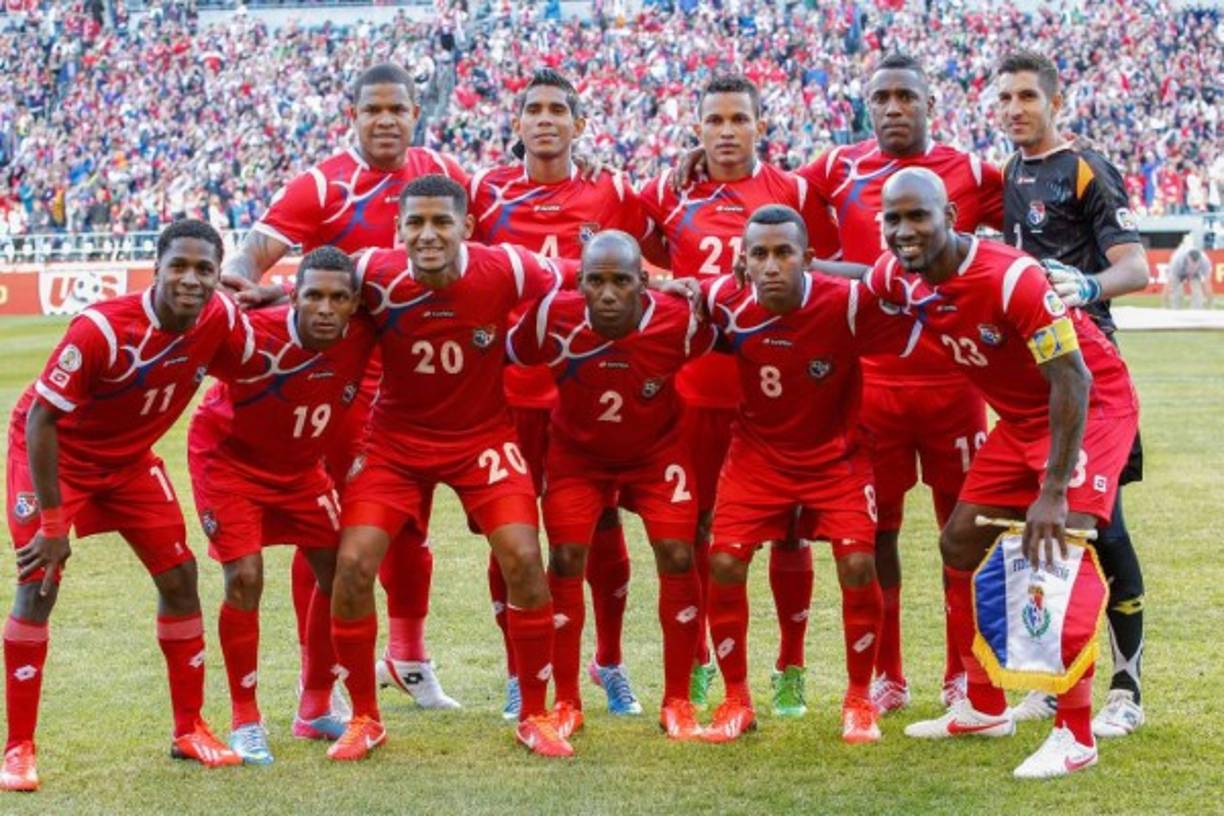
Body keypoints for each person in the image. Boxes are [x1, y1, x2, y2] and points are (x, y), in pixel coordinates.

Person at [871, 167, 1139, 779]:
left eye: (919, 217)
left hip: (1086, 409)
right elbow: (858, 276)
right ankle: (984, 705)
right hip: (1021, 419)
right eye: (893, 219)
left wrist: (1051, 491)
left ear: (951, 219)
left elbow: (1074, 378)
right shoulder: (902, 273)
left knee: (1057, 548)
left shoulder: (1010, 277)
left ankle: (1075, 734)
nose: (905, 231)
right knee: (958, 541)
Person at [222, 62, 467, 710]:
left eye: (399, 110)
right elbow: (252, 252)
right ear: (352, 115)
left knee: (410, 529)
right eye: (373, 110)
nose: (386, 120)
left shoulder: (441, 177)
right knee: (323, 531)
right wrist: (246, 283)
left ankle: (409, 659)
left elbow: (491, 244)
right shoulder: (322, 185)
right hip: (340, 389)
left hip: (418, 381)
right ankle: (319, 683)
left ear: (417, 115)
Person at [327, 175, 574, 760]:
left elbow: (575, 280)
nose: (428, 234)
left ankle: (535, 714)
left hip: (481, 438)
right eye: (415, 223)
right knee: (354, 564)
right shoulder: (371, 272)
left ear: (466, 226)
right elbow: (314, 290)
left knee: (523, 556)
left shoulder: (509, 267)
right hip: (395, 442)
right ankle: (365, 717)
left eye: (442, 222)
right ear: (399, 229)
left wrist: (668, 284)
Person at [2, 220, 251, 792]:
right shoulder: (102, 330)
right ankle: (17, 749)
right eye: (179, 267)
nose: (191, 279)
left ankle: (189, 729)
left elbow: (260, 345)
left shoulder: (219, 318)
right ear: (156, 268)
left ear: (218, 275)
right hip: (57, 456)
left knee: (182, 577)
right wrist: (54, 521)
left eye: (204, 269)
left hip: (129, 463)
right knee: (40, 581)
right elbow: (41, 420)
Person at [795, 52, 1005, 713]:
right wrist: (695, 162)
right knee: (876, 534)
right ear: (866, 104)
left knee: (963, 532)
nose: (892, 108)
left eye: (905, 97)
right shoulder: (836, 167)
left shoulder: (970, 171)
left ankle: (961, 671)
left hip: (956, 386)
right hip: (872, 390)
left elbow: (1033, 188)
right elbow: (766, 195)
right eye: (881, 96)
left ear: (927, 105)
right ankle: (887, 673)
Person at [639, 75, 839, 714]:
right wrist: (677, 281)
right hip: (696, 394)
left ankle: (791, 667)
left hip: (777, 396)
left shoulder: (795, 191)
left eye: (738, 119)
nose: (726, 131)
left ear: (760, 125)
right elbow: (624, 256)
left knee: (789, 533)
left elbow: (825, 270)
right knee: (699, 531)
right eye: (714, 121)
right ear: (696, 129)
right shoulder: (670, 192)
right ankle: (699, 661)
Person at [469, 68, 663, 718]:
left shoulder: (612, 193)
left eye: (559, 109)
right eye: (534, 109)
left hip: (587, 390)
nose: (546, 119)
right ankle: (520, 674)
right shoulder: (486, 195)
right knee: (512, 533)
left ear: (581, 124)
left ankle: (608, 661)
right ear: (517, 123)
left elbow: (653, 258)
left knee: (601, 523)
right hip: (508, 393)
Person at [698, 205, 914, 745]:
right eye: (760, 255)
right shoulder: (723, 301)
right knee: (722, 560)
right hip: (757, 456)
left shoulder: (845, 304)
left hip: (835, 457)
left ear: (809, 259)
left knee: (860, 563)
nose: (772, 266)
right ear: (743, 263)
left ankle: (859, 700)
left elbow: (906, 293)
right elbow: (681, 293)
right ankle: (736, 700)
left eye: (784, 253)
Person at [996, 51, 1152, 737]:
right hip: (1035, 373)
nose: (1014, 109)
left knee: (1104, 529)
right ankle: (1056, 683)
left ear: (1054, 100)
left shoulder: (1085, 167)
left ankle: (1126, 690)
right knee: (1043, 529)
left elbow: (1137, 266)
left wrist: (1086, 286)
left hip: (1090, 373)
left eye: (1027, 96)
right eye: (1004, 99)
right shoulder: (1009, 172)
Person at [506, 230, 714, 741]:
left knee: (680, 555)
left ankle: (678, 702)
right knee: (567, 560)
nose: (607, 293)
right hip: (577, 457)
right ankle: (568, 702)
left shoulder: (678, 320)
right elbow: (505, 352)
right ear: (579, 283)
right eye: (595, 281)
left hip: (656, 455)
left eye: (621, 281)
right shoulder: (552, 316)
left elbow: (728, 332)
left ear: (643, 283)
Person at [186, 247, 376, 764]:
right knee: (245, 577)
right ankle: (245, 719)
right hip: (228, 462)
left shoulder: (364, 333)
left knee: (341, 570)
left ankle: (315, 706)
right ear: (295, 296)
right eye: (312, 295)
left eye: (338, 298)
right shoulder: (250, 334)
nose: (325, 308)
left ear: (355, 304)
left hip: (299, 469)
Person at [1164, 241, 1214, 309]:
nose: (1193, 266)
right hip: (1179, 272)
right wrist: (1165, 298)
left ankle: (1197, 311)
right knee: (1177, 292)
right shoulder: (1177, 260)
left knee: (1198, 293)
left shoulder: (1205, 261)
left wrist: (1210, 300)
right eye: (1191, 263)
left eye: (1195, 264)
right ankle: (1175, 310)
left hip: (1195, 274)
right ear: (1188, 258)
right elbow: (1169, 281)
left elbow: (1207, 282)